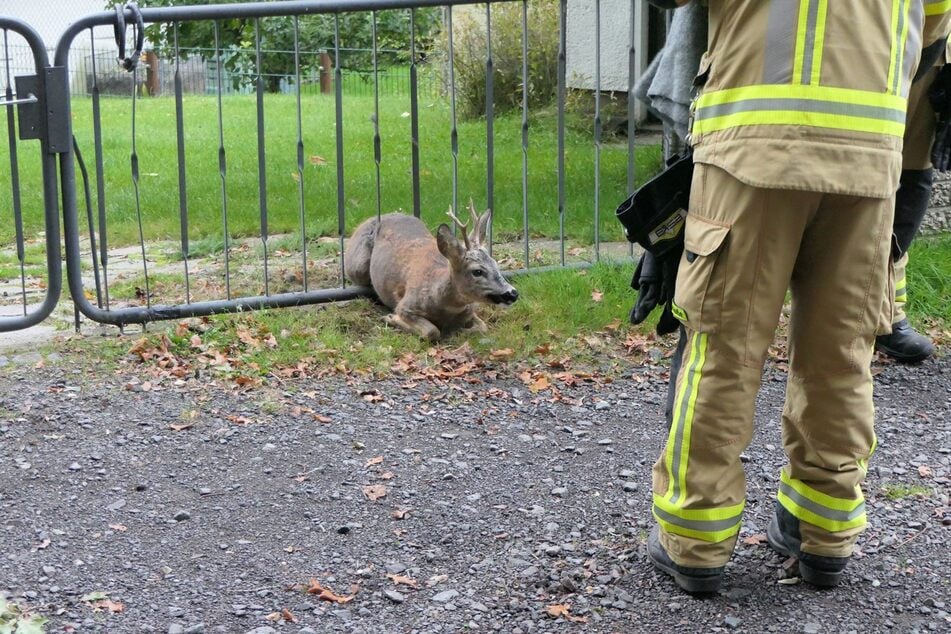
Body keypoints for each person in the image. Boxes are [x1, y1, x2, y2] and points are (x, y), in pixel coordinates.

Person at [639, 0, 951, 594]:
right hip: (871, 158)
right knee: (841, 355)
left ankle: (696, 541)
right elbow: (932, 33)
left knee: (723, 350)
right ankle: (823, 534)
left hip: (752, 152)